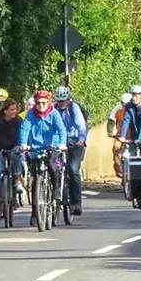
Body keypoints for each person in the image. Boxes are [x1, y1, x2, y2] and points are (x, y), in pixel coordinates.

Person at [19, 90, 67, 224]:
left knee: (52, 165)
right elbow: (24, 129)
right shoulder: (30, 114)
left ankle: (56, 189)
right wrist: (23, 144)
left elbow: (61, 129)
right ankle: (35, 213)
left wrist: (62, 143)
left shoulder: (54, 113)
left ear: (49, 102)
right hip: (35, 148)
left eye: (44, 103)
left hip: (53, 146)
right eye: (38, 103)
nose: (41, 105)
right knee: (35, 178)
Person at [53, 87, 88, 216]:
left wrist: (81, 139)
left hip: (74, 141)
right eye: (59, 101)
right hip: (58, 142)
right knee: (53, 169)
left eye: (64, 101)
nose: (61, 103)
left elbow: (81, 125)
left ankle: (76, 203)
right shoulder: (53, 109)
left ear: (68, 100)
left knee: (73, 170)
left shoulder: (74, 108)